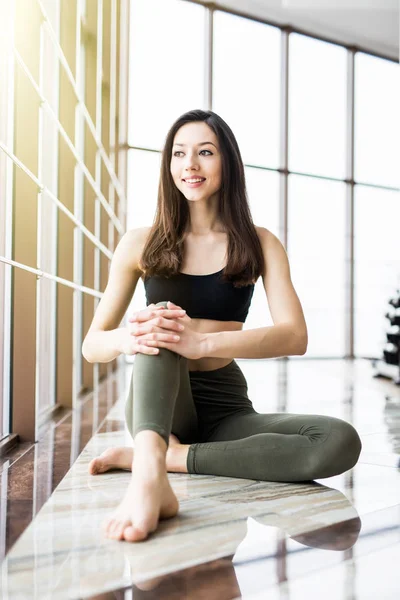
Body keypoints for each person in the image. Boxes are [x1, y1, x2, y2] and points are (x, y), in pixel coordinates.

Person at [82, 109, 362, 544]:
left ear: (227, 162)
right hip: (162, 399)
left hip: (226, 405)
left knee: (338, 440)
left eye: (204, 152)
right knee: (163, 323)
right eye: (179, 153)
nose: (189, 165)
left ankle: (165, 457)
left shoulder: (259, 241)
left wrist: (204, 341)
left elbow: (295, 335)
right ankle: (150, 476)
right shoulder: (140, 242)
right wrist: (129, 335)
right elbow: (92, 344)